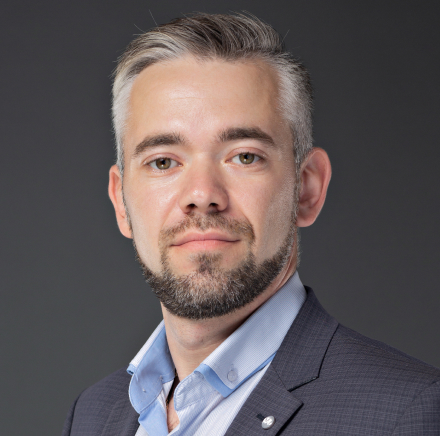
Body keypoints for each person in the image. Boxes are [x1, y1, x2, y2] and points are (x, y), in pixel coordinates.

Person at [62, 13, 440, 436]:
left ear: (307, 188)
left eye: (244, 156)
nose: (201, 194)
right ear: (121, 202)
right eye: (163, 162)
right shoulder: (92, 415)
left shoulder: (408, 414)